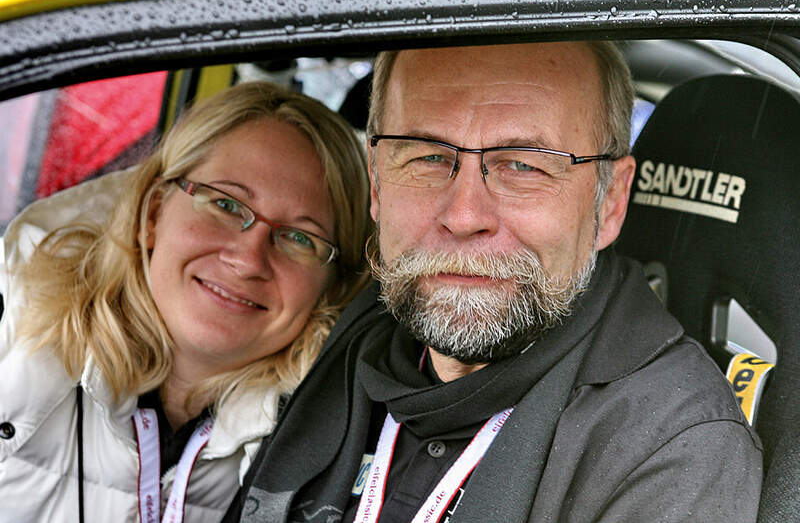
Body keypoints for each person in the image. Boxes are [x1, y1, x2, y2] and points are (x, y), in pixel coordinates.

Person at [228, 42, 762, 523]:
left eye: (525, 165)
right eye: (429, 156)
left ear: (611, 202)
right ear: (376, 181)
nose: (463, 215)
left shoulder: (669, 448)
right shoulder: (344, 330)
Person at [0, 81, 371, 522]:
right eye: (226, 205)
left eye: (298, 238)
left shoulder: (342, 439)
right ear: (154, 211)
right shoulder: (11, 327)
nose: (248, 259)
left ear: (329, 287)